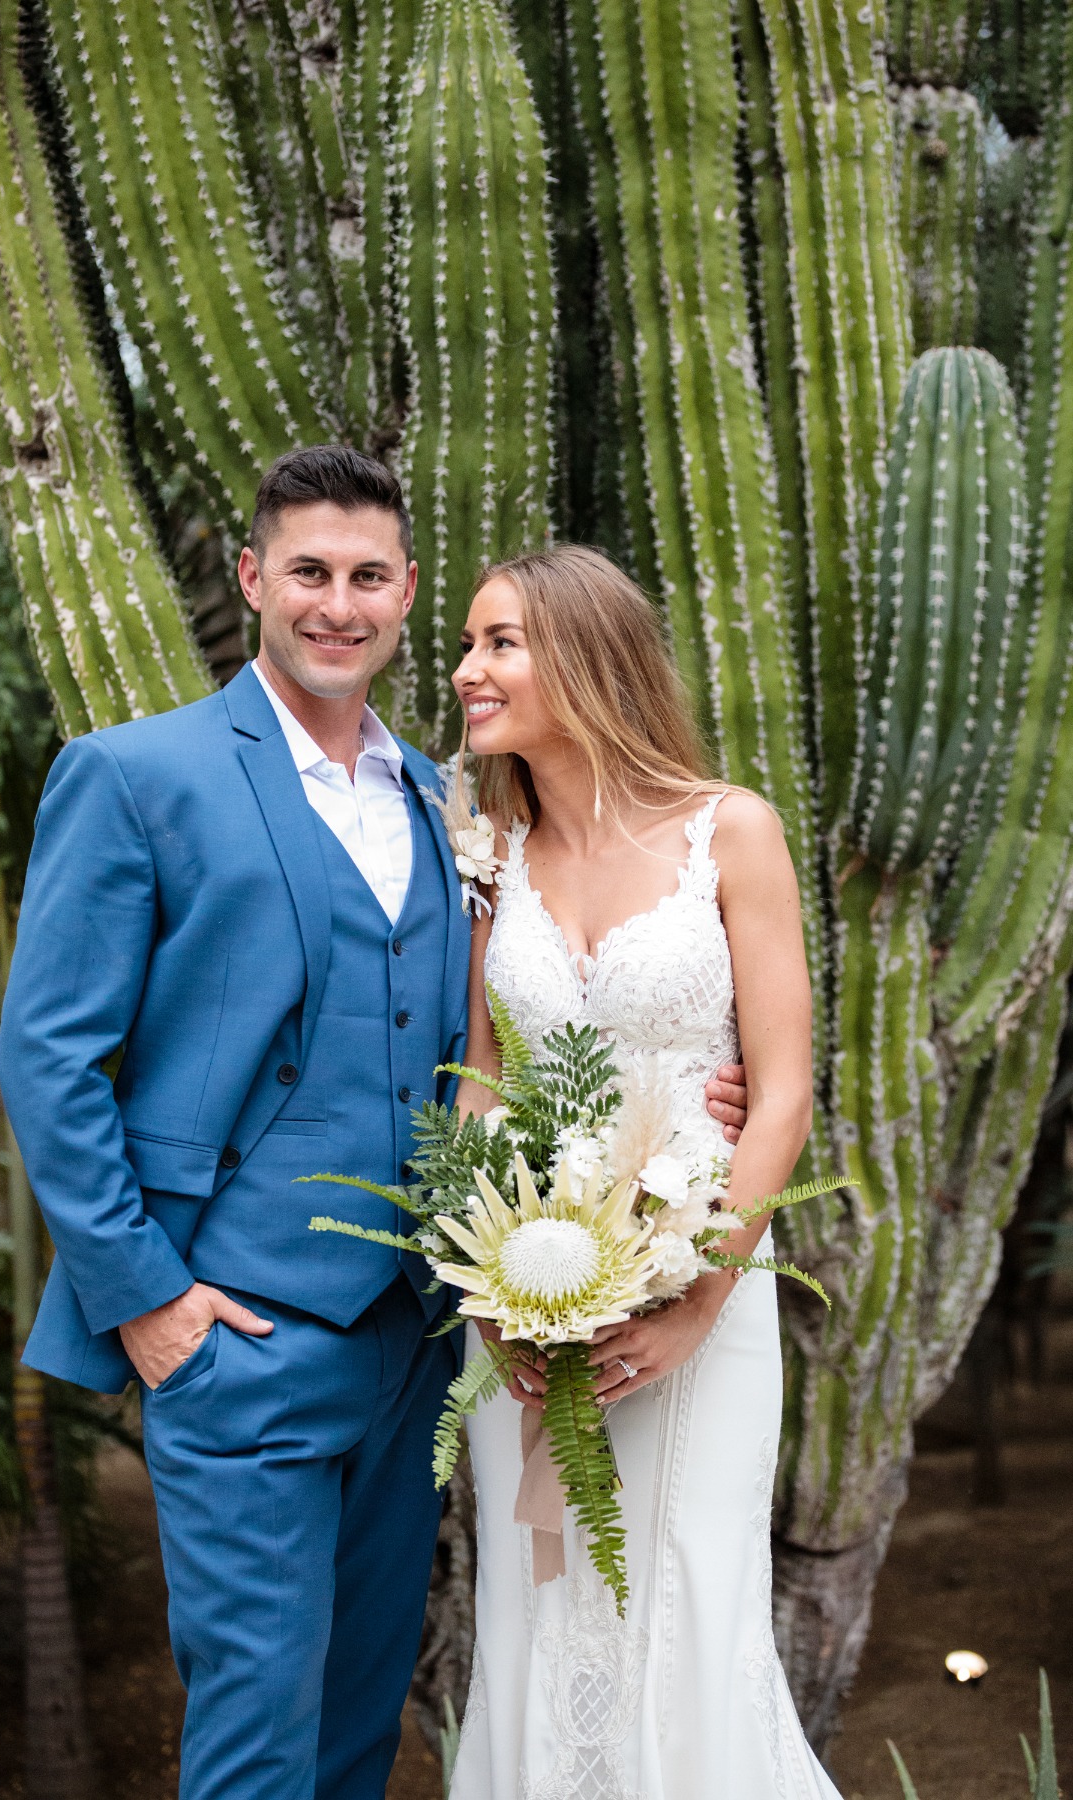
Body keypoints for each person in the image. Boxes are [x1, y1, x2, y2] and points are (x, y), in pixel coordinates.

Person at [0, 443, 751, 1800]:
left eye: (366, 577)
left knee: (357, 1741)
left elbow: (506, 1039)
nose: (337, 604)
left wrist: (680, 1103)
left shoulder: (455, 801)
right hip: (236, 1341)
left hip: (415, 1354)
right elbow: (49, 1062)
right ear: (252, 580)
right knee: (253, 1747)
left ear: (404, 594)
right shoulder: (135, 776)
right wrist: (149, 1304)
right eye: (308, 573)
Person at [447, 544, 837, 1800]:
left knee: (682, 1598)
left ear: (583, 653)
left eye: (498, 643)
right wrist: (484, 1274)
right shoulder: (492, 858)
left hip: (703, 1288)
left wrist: (698, 1300)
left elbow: (781, 1093)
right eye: (468, 643)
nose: (466, 671)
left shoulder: (732, 831)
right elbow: (484, 1083)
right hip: (529, 1304)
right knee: (538, 1612)